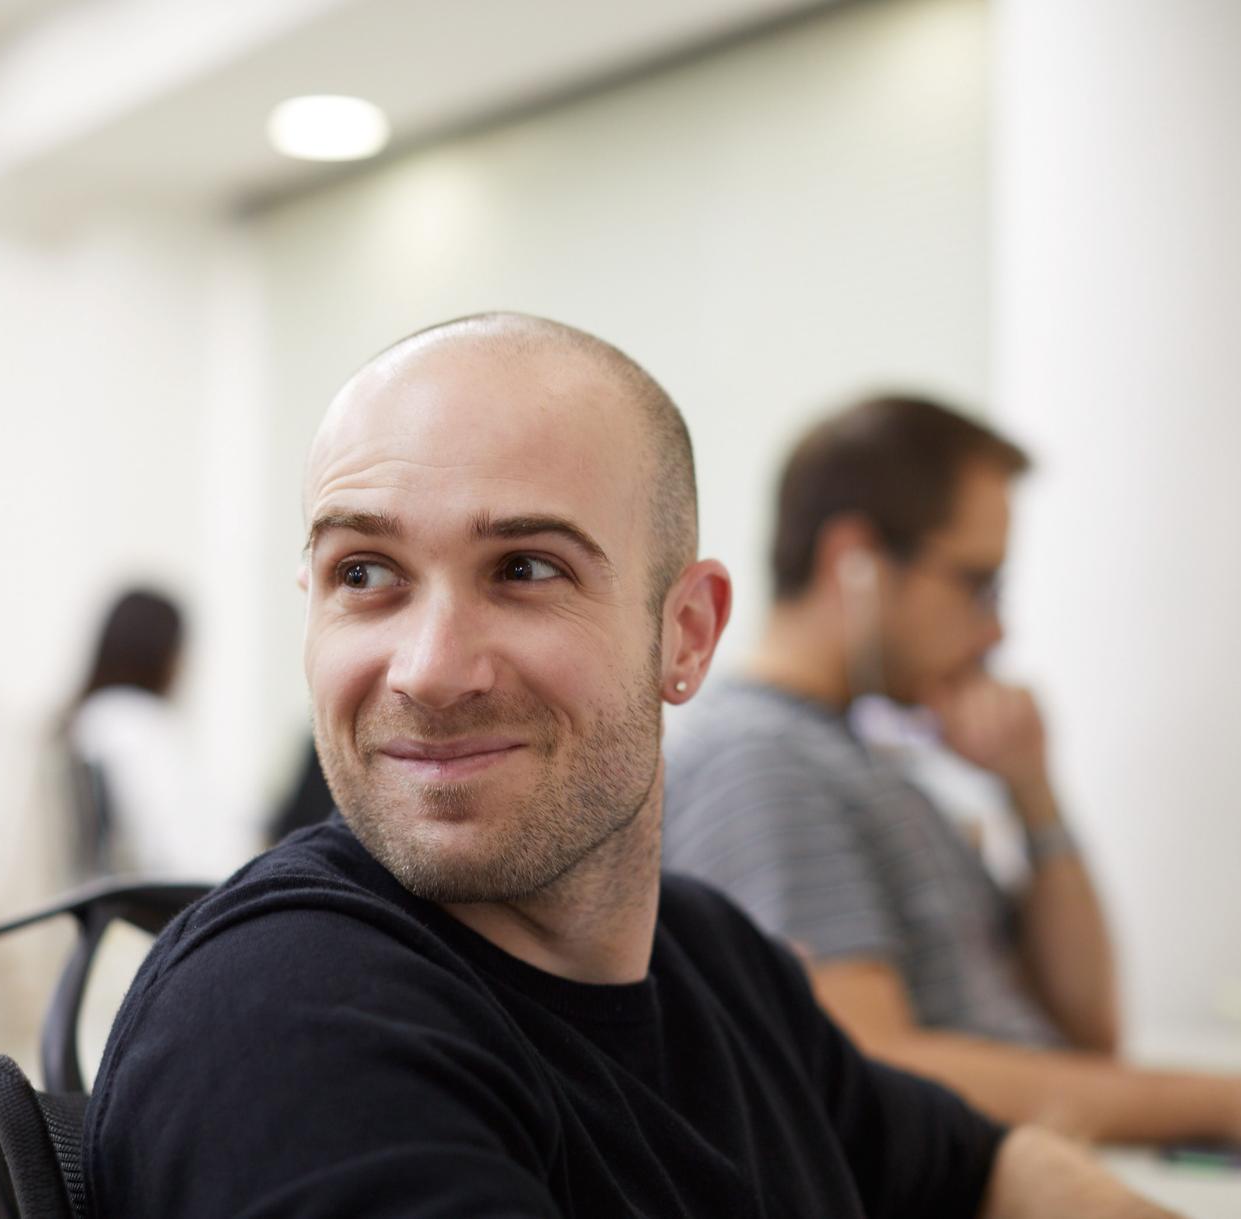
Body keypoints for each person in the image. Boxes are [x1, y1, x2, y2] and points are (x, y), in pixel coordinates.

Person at [87, 315, 1173, 1216]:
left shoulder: (716, 960)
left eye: (524, 568)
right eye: (364, 572)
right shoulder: (290, 1020)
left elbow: (990, 1167)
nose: (428, 670)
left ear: (686, 634)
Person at [662, 394, 1241, 1150]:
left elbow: (1086, 1030)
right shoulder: (761, 763)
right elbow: (874, 1066)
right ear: (855, 562)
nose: (995, 630)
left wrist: (1032, 791)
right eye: (977, 582)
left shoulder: (870, 764)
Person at [69, 587, 242, 881]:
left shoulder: (87, 721)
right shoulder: (140, 727)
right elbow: (182, 851)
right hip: (176, 894)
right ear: (164, 653)